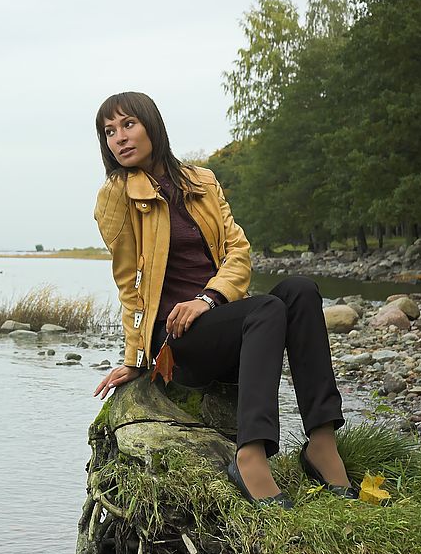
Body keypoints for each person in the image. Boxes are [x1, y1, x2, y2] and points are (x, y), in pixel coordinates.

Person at [90, 91, 358, 509]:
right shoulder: (117, 195)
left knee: (300, 290)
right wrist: (134, 358)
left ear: (151, 125)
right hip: (179, 340)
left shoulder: (202, 181)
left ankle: (322, 444)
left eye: (128, 124)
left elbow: (238, 252)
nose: (119, 138)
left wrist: (208, 298)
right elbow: (128, 282)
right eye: (109, 131)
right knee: (268, 307)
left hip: (222, 318)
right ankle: (250, 455)